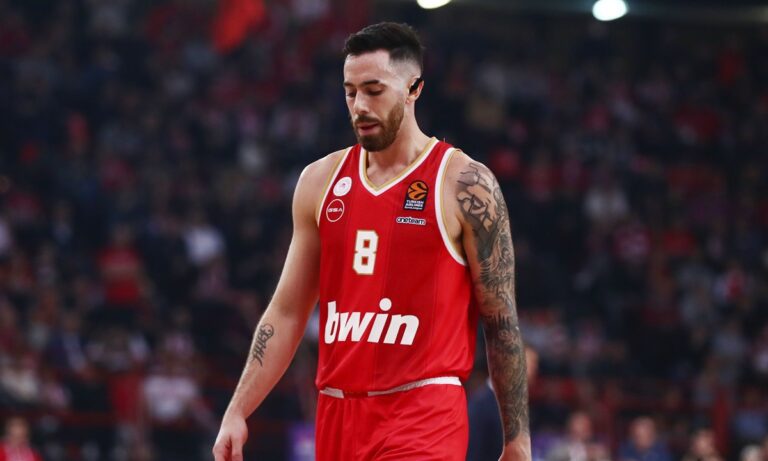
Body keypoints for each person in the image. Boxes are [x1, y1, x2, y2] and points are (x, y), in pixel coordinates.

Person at [213, 22, 531, 461]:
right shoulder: (319, 181)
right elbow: (287, 311)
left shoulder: (464, 183)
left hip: (424, 413)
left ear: (414, 89)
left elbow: (500, 320)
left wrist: (517, 439)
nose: (360, 105)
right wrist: (237, 409)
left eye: (374, 90)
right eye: (350, 92)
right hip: (337, 414)